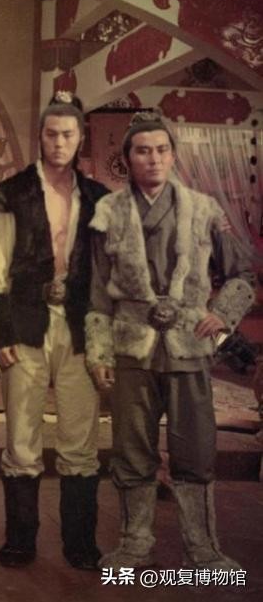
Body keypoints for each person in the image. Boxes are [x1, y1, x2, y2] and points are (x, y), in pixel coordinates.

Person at [85, 112, 255, 570]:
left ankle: (203, 548)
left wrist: (222, 314)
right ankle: (134, 543)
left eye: (161, 150)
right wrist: (99, 350)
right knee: (131, 448)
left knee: (195, 449)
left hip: (188, 348)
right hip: (132, 349)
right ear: (127, 158)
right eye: (143, 150)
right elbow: (98, 290)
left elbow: (241, 273)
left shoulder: (204, 209)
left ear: (173, 156)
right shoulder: (108, 213)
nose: (153, 158)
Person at [0, 92, 109, 570]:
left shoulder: (98, 198)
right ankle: (20, 540)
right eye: (51, 134)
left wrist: (103, 342)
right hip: (24, 325)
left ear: (80, 139)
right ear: (40, 137)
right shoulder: (11, 193)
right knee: (21, 436)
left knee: (80, 437)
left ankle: (80, 543)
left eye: (67, 135)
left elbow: (107, 275)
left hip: (80, 327)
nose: (58, 142)